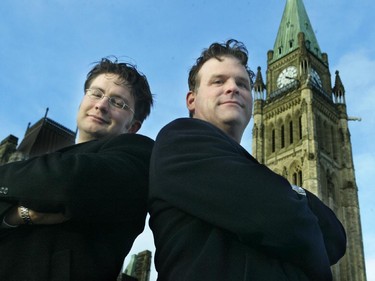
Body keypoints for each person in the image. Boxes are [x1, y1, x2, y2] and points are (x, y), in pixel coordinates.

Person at [148, 40, 346, 281]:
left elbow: (336, 238)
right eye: (218, 81)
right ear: (191, 100)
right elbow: (284, 218)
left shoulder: (250, 170)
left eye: (242, 83)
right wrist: (297, 201)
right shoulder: (178, 141)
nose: (232, 88)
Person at [0, 57, 154, 281]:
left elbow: (66, 183)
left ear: (133, 126)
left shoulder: (139, 153)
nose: (101, 105)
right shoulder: (46, 163)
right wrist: (15, 215)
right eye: (96, 93)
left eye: (117, 102)